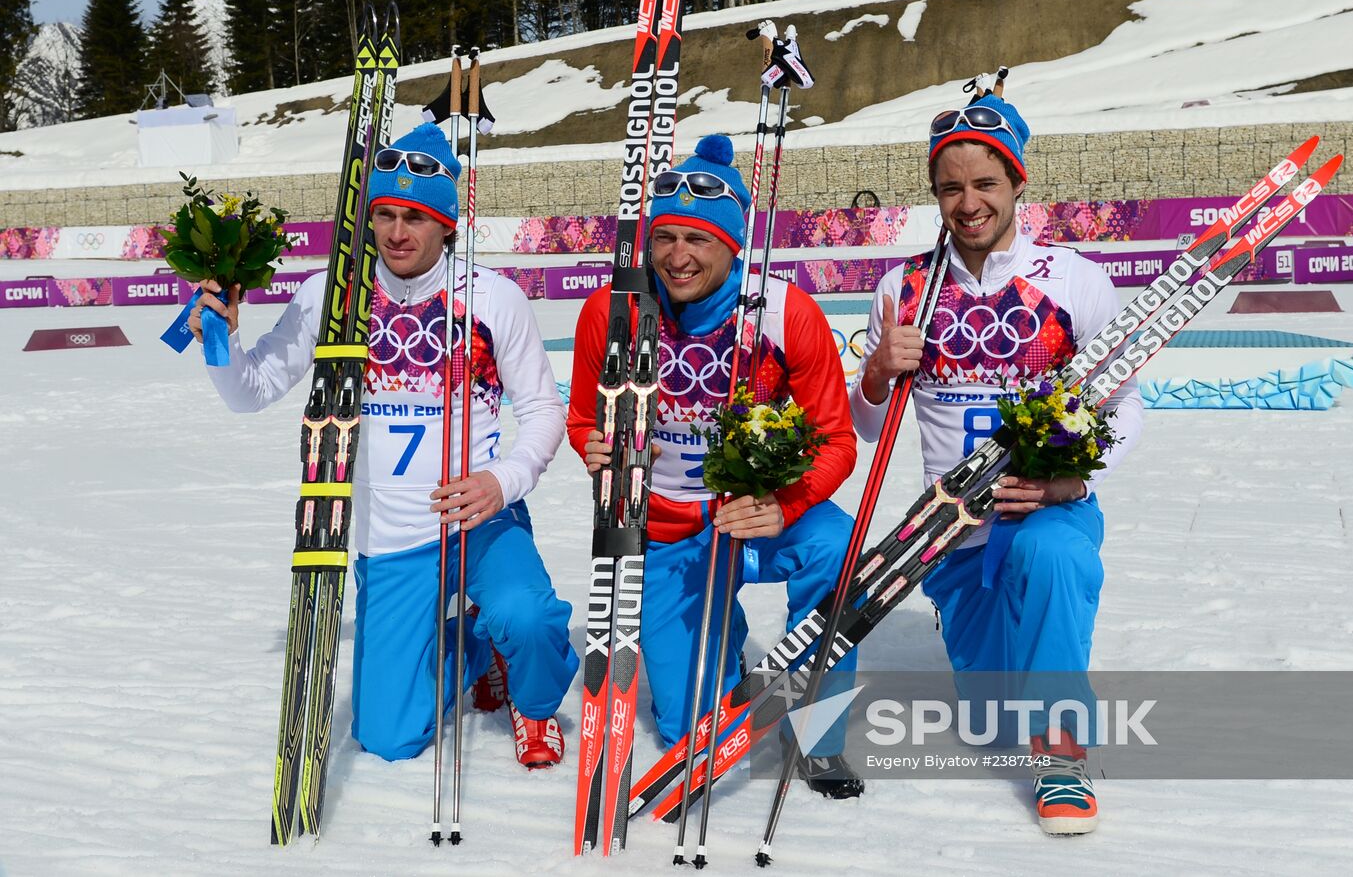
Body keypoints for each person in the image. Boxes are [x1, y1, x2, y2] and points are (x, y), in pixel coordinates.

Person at [188, 122, 577, 768]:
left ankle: (533, 704)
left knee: (528, 617)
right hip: (390, 537)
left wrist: (501, 481)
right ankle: (478, 648)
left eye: (416, 218)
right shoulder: (330, 297)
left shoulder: (493, 299)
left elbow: (541, 412)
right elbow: (248, 392)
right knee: (387, 736)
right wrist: (220, 339)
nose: (398, 232)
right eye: (386, 214)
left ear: (447, 225)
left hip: (477, 517)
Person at [849, 89, 1144, 833]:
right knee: (990, 717)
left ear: (1018, 182)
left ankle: (1062, 756)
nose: (969, 202)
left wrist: (1066, 482)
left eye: (986, 183)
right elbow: (867, 424)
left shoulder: (1072, 280)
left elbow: (1126, 408)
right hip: (950, 532)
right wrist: (879, 372)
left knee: (1052, 561)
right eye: (951, 186)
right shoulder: (905, 288)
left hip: (1050, 508)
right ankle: (1031, 664)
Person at [566, 135, 864, 798]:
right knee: (689, 732)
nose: (678, 257)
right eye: (665, 237)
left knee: (838, 550)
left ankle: (818, 732)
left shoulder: (784, 310)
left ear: (732, 244)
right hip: (668, 527)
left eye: (697, 240)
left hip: (757, 513)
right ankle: (721, 658)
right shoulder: (611, 311)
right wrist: (596, 451)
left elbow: (836, 439)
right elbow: (585, 418)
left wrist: (783, 504)